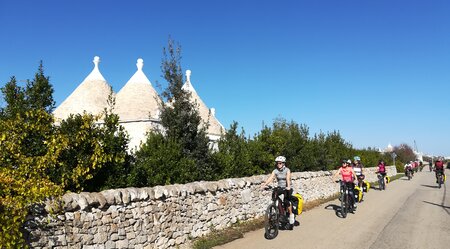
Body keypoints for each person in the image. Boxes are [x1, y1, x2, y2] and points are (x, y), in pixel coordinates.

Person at [261, 155, 295, 224]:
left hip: (287, 187)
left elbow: (288, 179)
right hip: (280, 187)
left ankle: (291, 214)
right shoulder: (275, 171)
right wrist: (264, 184)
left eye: (280, 163)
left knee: (286, 201)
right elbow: (271, 177)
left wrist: (288, 187)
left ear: (283, 163)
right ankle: (281, 214)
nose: (278, 164)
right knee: (275, 196)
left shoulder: (287, 170)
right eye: (277, 163)